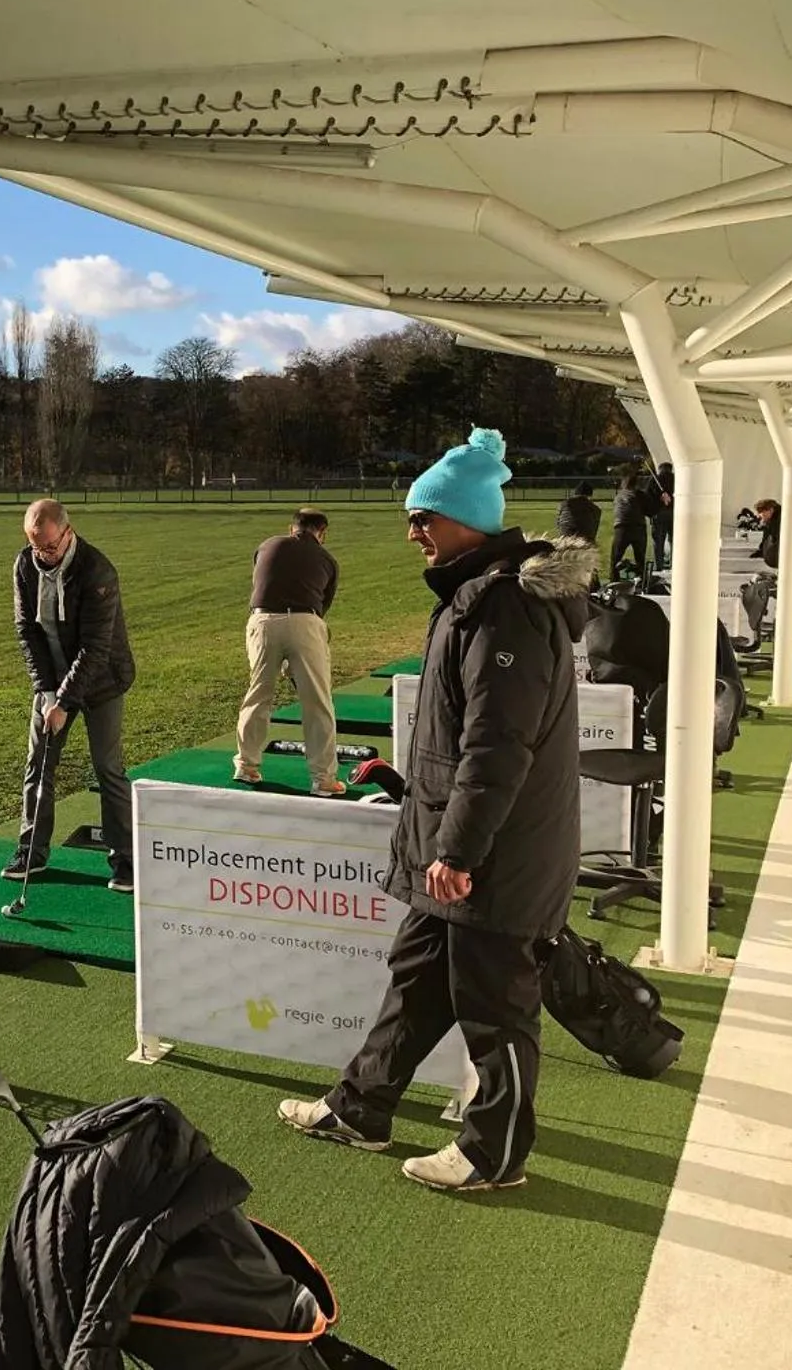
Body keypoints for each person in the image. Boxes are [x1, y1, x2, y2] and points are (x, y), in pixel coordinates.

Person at [279, 428, 594, 1193]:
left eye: (425, 516)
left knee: (495, 1008)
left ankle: (494, 1154)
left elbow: (497, 745)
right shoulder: (476, 597)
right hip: (457, 845)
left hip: (494, 856)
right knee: (417, 979)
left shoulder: (506, 608)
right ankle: (362, 1107)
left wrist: (458, 852)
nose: (411, 530)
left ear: (470, 520)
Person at [10, 499, 137, 891]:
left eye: (49, 546)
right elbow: (27, 632)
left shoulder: (98, 571)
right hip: (53, 679)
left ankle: (125, 859)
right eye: (36, 547)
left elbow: (95, 649)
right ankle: (31, 850)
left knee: (107, 768)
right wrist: (47, 692)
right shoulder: (24, 566)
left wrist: (65, 703)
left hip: (102, 681)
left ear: (68, 533)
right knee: (38, 764)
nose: (43, 555)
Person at [232, 508, 343, 796]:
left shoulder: (268, 545)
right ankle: (324, 780)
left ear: (291, 527)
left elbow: (262, 580)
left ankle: (246, 766)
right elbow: (321, 608)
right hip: (306, 622)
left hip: (262, 620)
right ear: (323, 533)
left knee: (258, 694)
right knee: (317, 702)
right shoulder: (328, 559)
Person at [610, 473, 652, 581]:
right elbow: (650, 511)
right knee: (640, 557)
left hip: (621, 527)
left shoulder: (619, 495)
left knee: (615, 557)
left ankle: (614, 580)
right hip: (638, 527)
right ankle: (641, 580)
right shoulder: (639, 494)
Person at [554, 481, 602, 546]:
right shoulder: (596, 509)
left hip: (565, 538)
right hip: (585, 540)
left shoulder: (564, 504)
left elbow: (558, 523)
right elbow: (594, 530)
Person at [650, 461, 675, 571]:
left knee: (658, 541)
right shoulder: (676, 479)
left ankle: (659, 566)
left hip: (659, 513)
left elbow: (648, 496)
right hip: (674, 512)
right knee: (673, 540)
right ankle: (674, 564)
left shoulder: (655, 479)